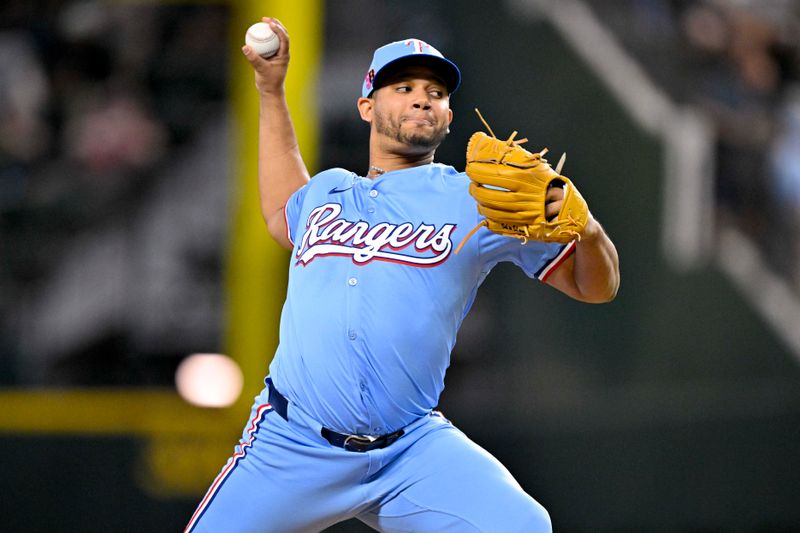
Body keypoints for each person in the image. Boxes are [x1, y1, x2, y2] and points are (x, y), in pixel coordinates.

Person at [186, 17, 619, 533]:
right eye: (403, 87)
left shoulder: (478, 202)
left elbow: (596, 286)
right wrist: (270, 89)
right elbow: (282, 210)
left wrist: (587, 230)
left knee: (524, 525)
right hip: (292, 443)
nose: (421, 98)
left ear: (449, 115)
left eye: (435, 92)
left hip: (410, 451)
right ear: (367, 106)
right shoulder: (328, 191)